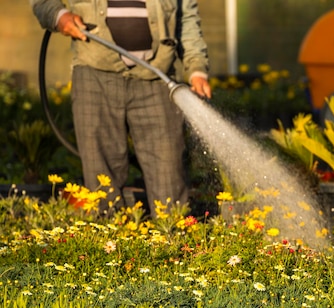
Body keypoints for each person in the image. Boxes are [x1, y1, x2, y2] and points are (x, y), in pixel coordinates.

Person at [30, 0, 212, 216]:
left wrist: (196, 68)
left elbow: (186, 16)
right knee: (101, 179)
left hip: (157, 76)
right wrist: (58, 15)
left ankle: (174, 241)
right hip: (95, 72)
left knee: (169, 176)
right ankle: (109, 244)